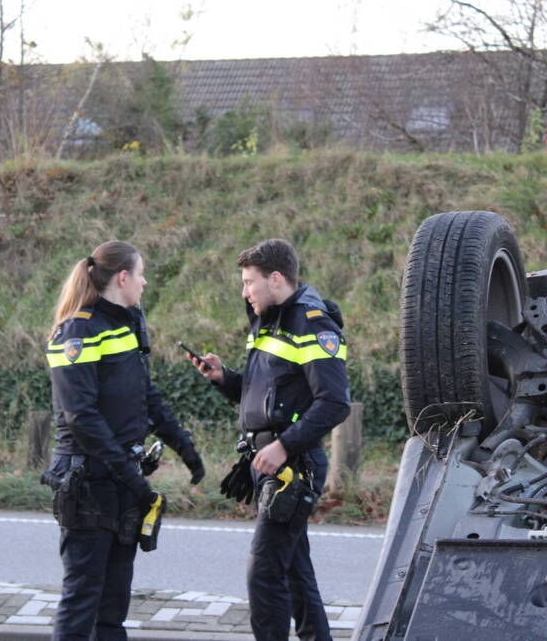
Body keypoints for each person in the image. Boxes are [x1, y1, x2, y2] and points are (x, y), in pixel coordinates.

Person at [189, 238, 350, 641]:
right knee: (295, 573)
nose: (244, 292)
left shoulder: (311, 322)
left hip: (292, 467)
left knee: (263, 574)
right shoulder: (272, 320)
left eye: (249, 282)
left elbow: (334, 403)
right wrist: (224, 379)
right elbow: (267, 394)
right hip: (271, 463)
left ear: (275, 279)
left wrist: (283, 446)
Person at [44, 240, 205, 640]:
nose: (145, 282)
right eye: (141, 274)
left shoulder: (125, 324)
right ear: (122, 278)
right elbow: (80, 416)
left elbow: (143, 396)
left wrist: (183, 445)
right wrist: (130, 477)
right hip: (89, 482)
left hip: (120, 481)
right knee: (83, 600)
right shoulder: (77, 331)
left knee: (113, 607)